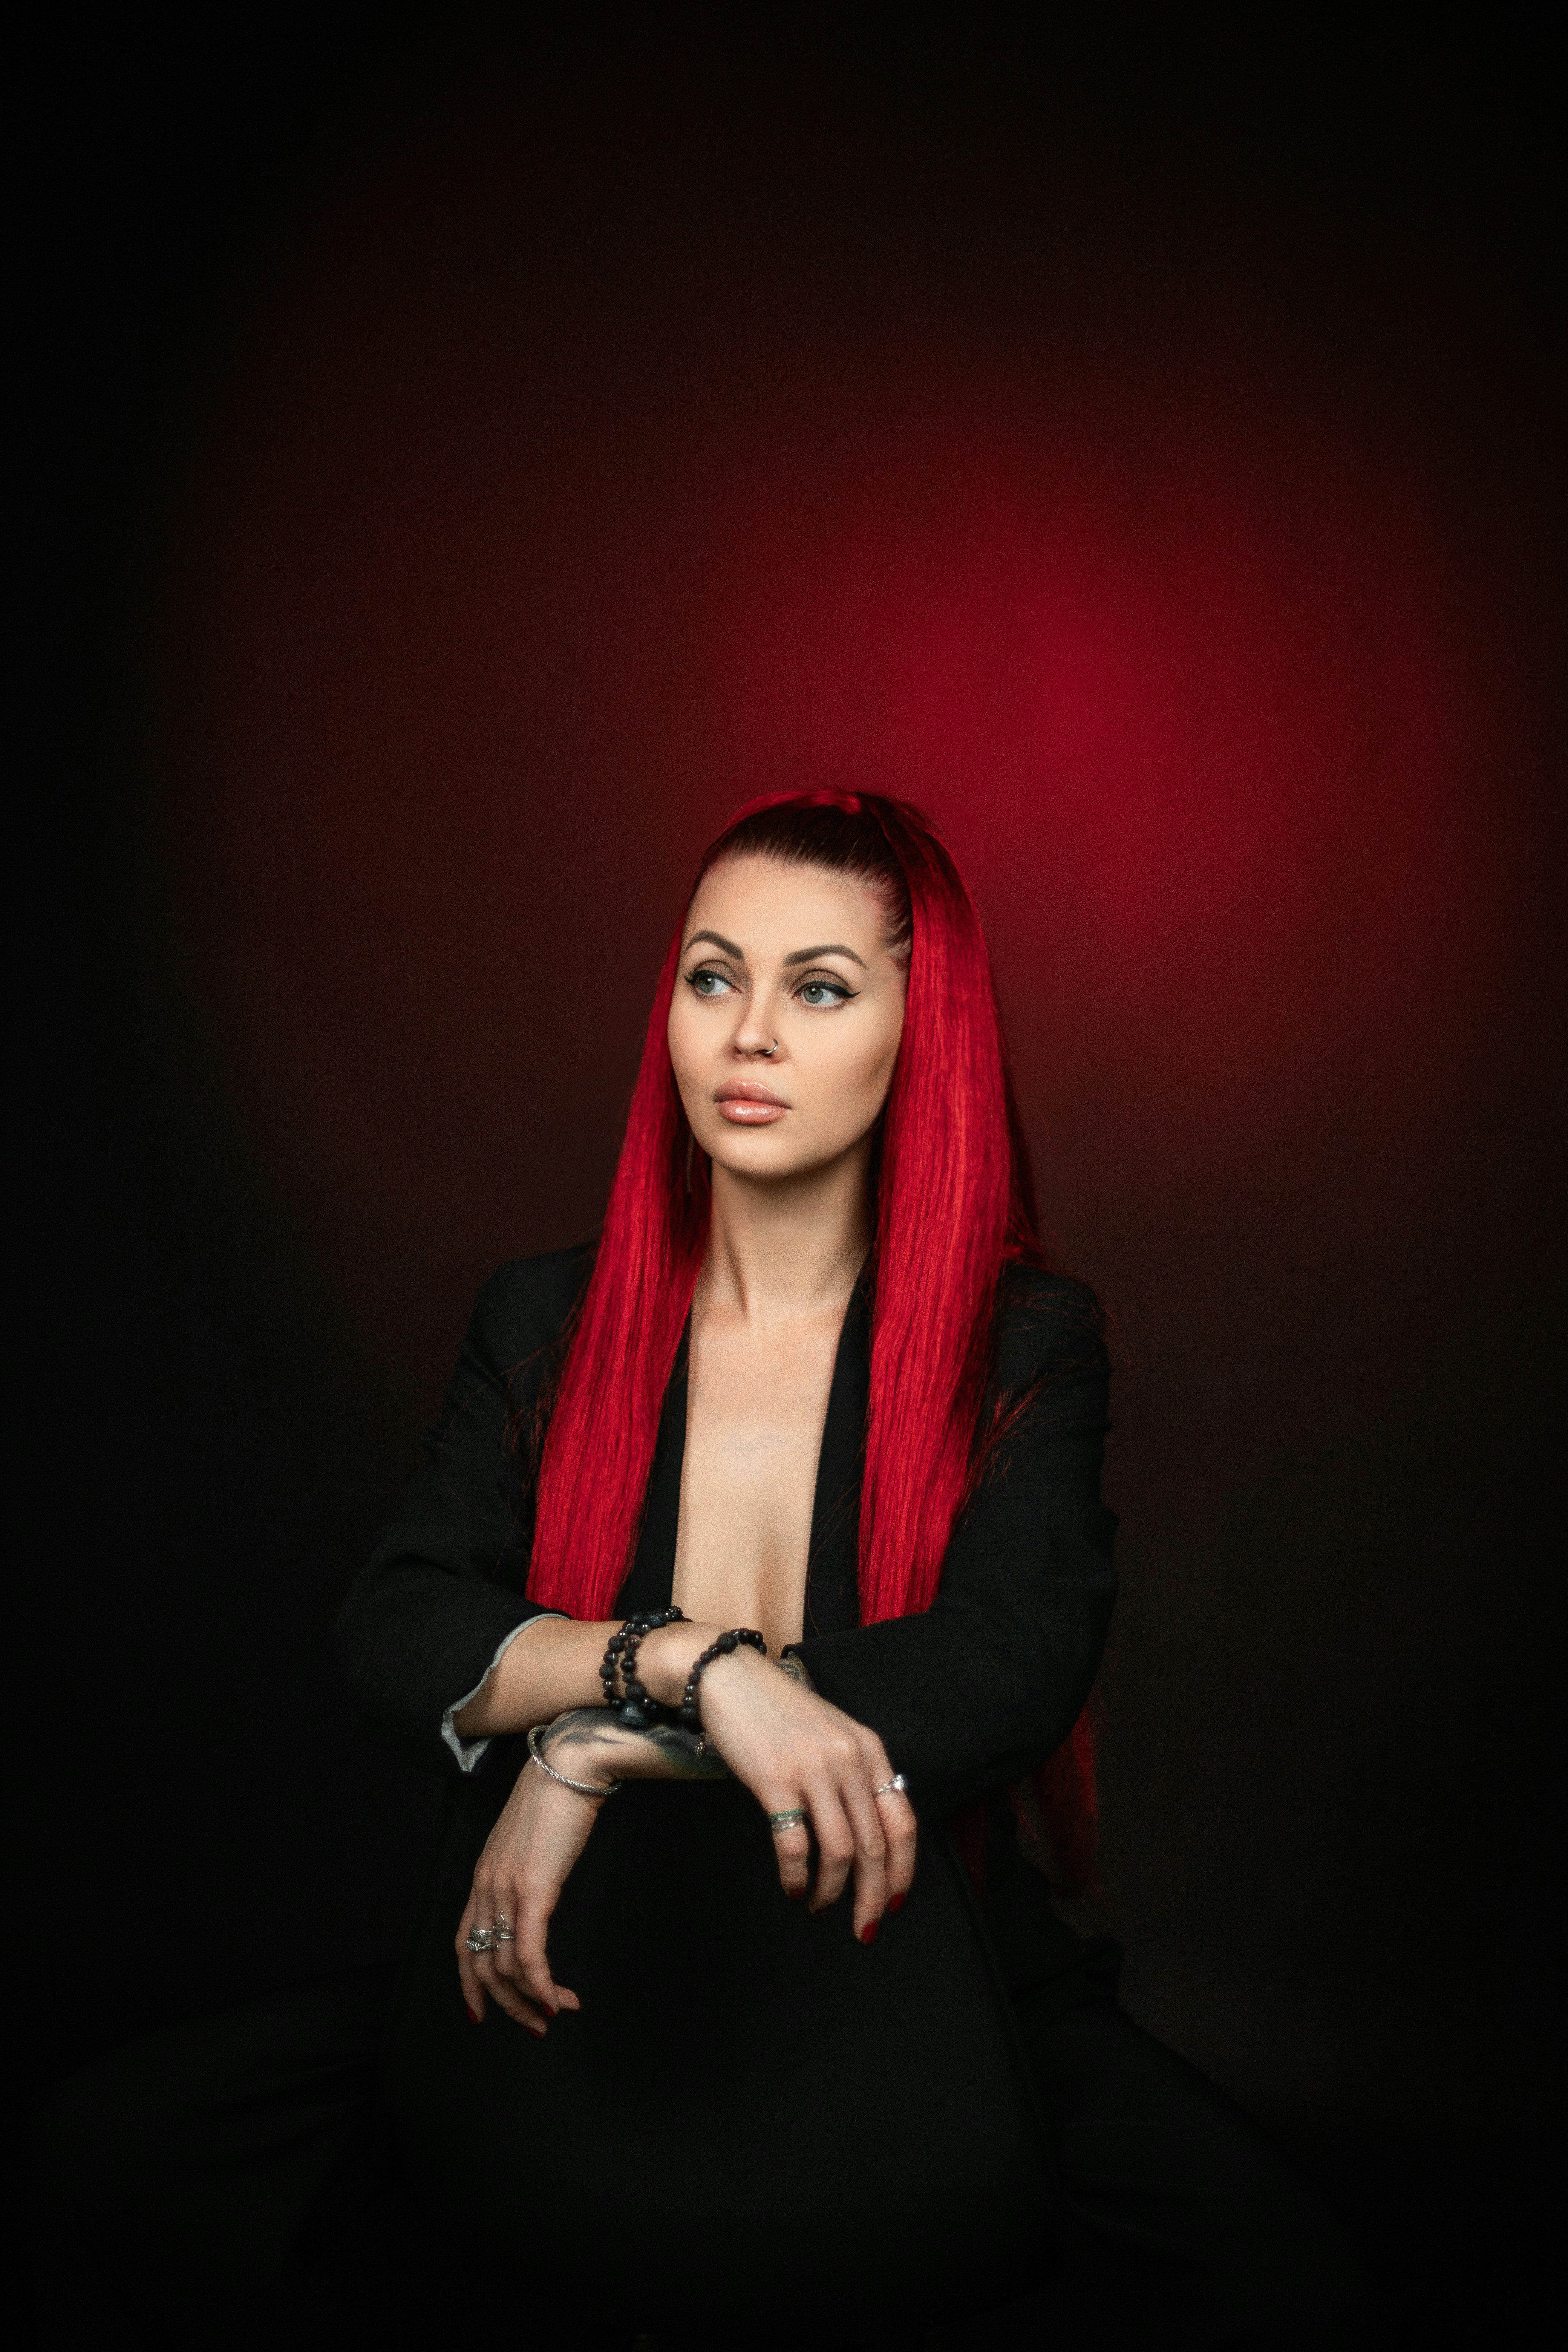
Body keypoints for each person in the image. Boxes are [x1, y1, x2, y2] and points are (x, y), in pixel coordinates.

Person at [36, 792, 1370, 2349]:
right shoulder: (542, 1321)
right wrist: (682, 1665)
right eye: (712, 975)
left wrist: (596, 1749)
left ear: (918, 1036)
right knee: (103, 2162)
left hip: (924, 1971)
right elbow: (397, 1622)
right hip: (586, 1962)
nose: (748, 1033)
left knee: (1288, 2282)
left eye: (819, 988)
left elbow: (1009, 1662)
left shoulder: (1023, 1345)